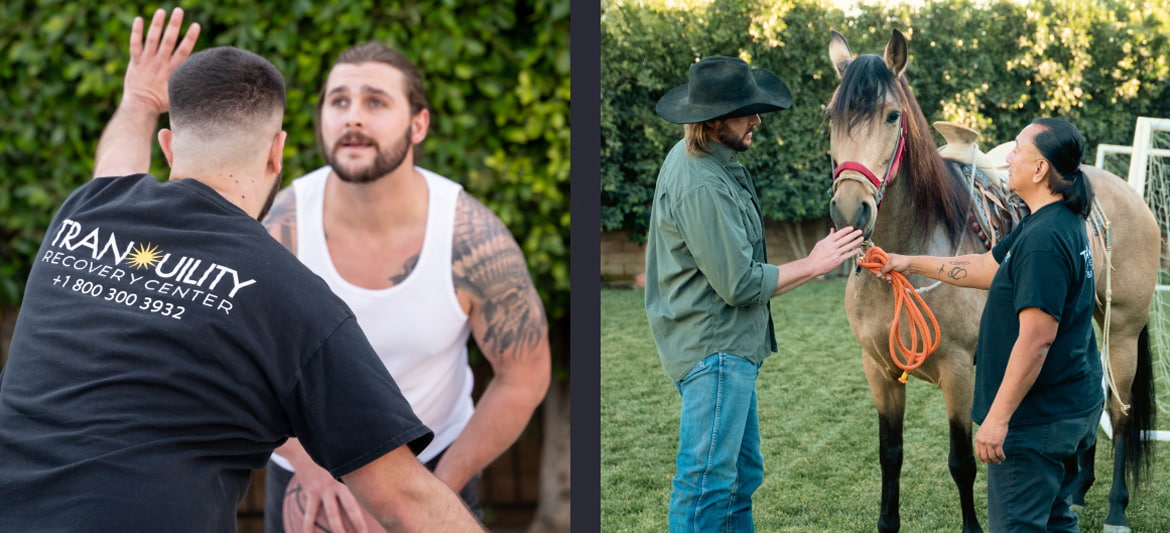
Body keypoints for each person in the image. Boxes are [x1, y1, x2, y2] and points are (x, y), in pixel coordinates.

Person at [0, 9, 483, 532]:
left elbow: (115, 161)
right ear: (277, 153)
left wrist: (139, 101)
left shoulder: (84, 214)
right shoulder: (290, 297)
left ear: (167, 148)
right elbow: (404, 498)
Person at [260, 42, 551, 531]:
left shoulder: (470, 238)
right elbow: (241, 364)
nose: (353, 118)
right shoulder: (276, 229)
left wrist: (438, 488)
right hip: (310, 476)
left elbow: (524, 375)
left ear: (419, 124)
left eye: (375, 101)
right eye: (339, 101)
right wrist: (311, 468)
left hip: (436, 464)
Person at [644, 56, 865, 532]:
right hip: (714, 350)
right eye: (747, 112)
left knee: (740, 478)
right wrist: (816, 262)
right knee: (705, 485)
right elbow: (740, 283)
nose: (758, 121)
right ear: (716, 120)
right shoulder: (701, 181)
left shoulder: (709, 163)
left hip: (727, 348)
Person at [877, 118, 1102, 531]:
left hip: (1035, 422)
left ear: (1040, 170)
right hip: (1069, 406)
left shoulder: (1044, 241)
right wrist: (908, 262)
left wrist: (997, 419)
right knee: (1055, 519)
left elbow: (1036, 341)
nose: (1007, 156)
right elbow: (985, 266)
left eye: (1017, 149)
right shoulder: (1053, 221)